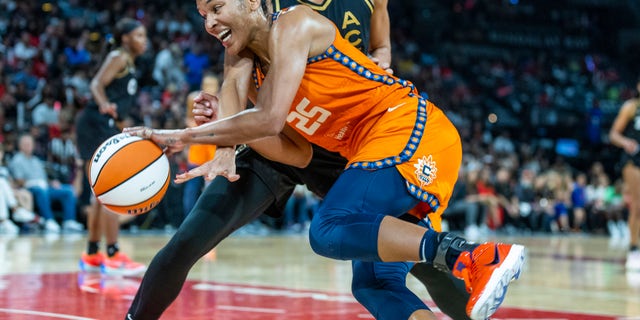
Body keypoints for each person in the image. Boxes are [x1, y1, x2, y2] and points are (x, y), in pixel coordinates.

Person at [127, 2, 525, 320]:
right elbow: (297, 152)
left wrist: (182, 135)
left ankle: (474, 255)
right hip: (359, 147)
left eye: (216, 9)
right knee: (373, 284)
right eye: (203, 15)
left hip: (404, 130)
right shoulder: (244, 55)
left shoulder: (294, 23)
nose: (209, 23)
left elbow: (268, 117)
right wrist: (225, 140)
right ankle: (466, 260)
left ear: (251, 3)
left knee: (330, 229)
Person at [75, 18, 147, 275]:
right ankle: (113, 255)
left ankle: (92, 254)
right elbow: (96, 84)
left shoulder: (129, 63)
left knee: (100, 194)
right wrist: (104, 103)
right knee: (110, 191)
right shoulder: (118, 56)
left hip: (101, 124)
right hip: (95, 123)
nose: (144, 40)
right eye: (139, 35)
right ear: (125, 38)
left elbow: (120, 110)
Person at [8, 134, 83, 233]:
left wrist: (51, 182)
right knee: (41, 190)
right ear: (20, 146)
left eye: (30, 144)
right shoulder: (17, 160)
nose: (28, 146)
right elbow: (18, 180)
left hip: (44, 186)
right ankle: (49, 220)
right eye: (26, 144)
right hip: (30, 188)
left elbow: (43, 179)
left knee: (68, 190)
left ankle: (69, 221)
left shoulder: (35, 160)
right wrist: (35, 182)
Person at [609, 77, 640, 271]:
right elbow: (613, 134)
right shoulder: (631, 107)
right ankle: (634, 249)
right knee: (638, 203)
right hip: (633, 160)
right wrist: (625, 143)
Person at [182, 71, 219, 217]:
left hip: (213, 149)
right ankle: (187, 220)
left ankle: (210, 220)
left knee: (212, 188)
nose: (210, 87)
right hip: (197, 148)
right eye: (207, 84)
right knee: (192, 186)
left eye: (213, 84)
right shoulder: (193, 97)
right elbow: (188, 120)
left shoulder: (221, 100)